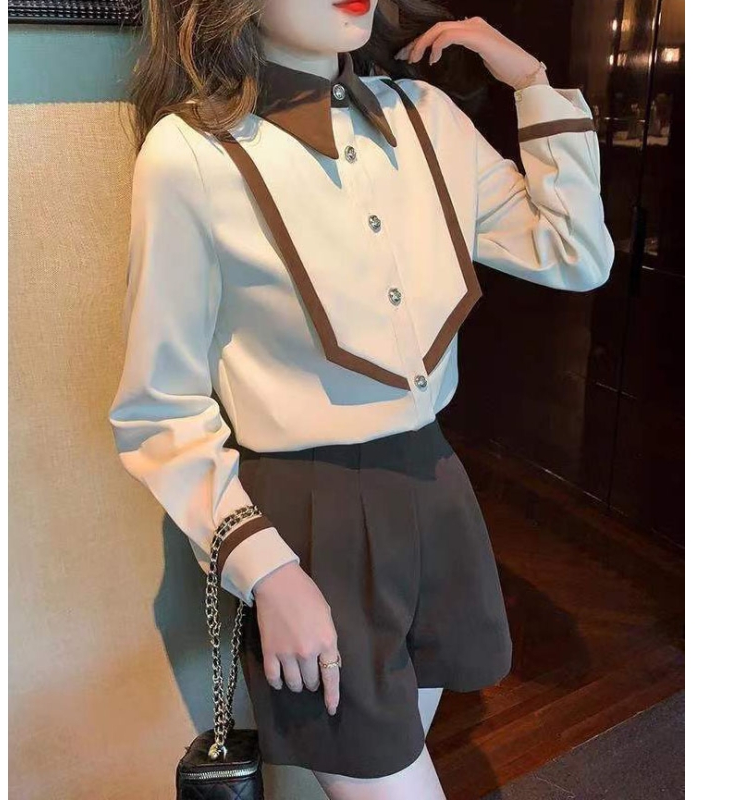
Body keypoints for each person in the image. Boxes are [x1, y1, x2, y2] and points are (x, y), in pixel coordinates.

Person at [108, 1, 615, 797]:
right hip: (311, 529)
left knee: (398, 755)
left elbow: (575, 252)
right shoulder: (190, 155)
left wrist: (533, 83)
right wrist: (268, 572)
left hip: (437, 491)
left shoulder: (428, 117)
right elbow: (159, 411)